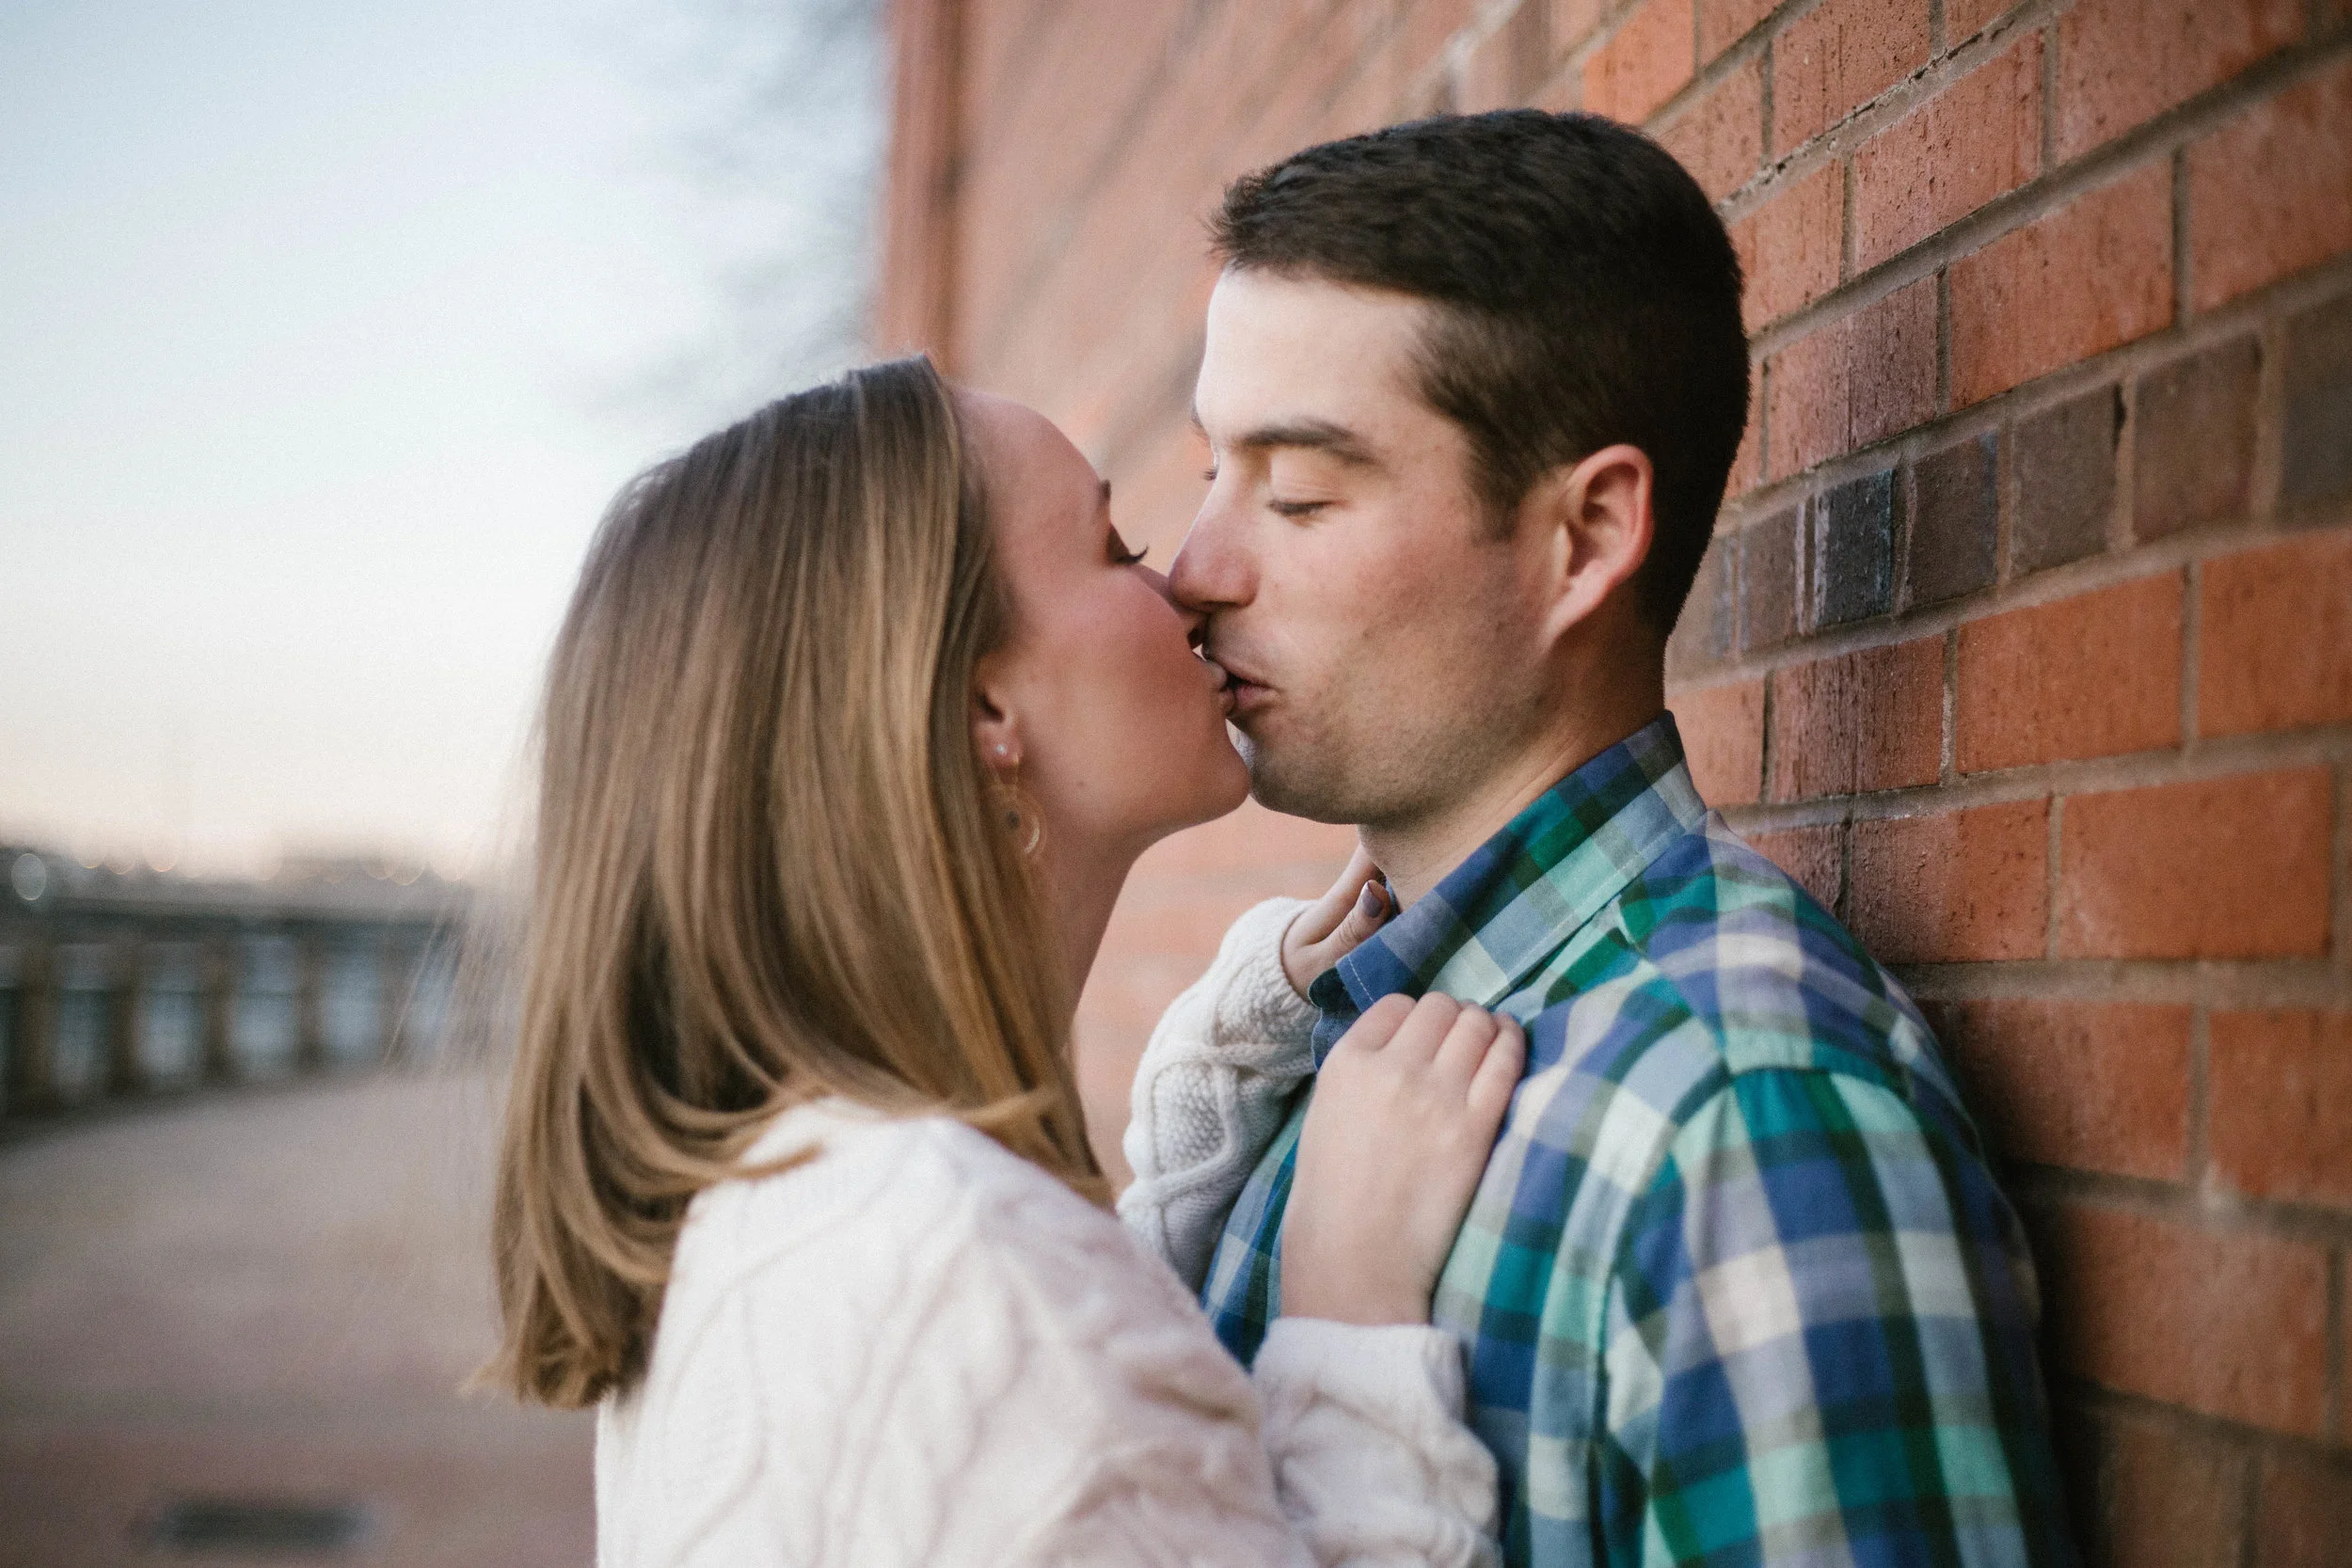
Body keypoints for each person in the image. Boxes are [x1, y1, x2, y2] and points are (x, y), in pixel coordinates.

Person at [1122, 110, 2076, 1567]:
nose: (1195, 570)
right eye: (1212, 474)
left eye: (1301, 491)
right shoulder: (1358, 1038)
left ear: (1584, 536)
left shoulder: (1743, 1121)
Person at [483, 354, 1531, 1566]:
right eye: (1115, 544)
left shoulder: (793, 1196)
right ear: (987, 712)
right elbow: (1065, 1374)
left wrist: (1229, 1055)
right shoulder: (980, 1282)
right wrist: (1349, 1307)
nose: (1188, 581)